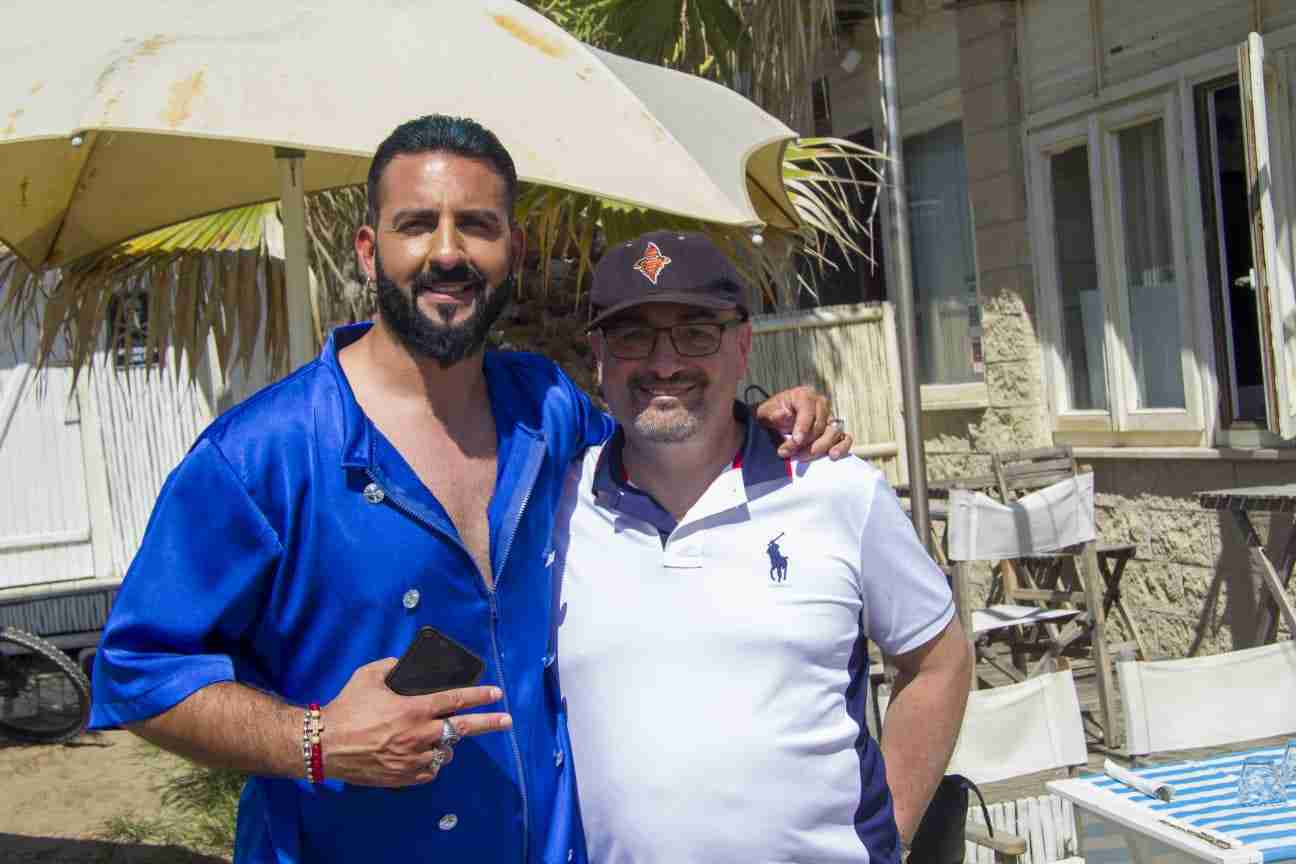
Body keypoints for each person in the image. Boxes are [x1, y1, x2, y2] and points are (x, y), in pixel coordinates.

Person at [87, 116, 848, 864]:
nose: (447, 252)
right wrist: (315, 741)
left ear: (513, 250)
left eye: (477, 225)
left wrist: (760, 420)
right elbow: (138, 672)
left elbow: (661, 456)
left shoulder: (545, 408)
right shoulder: (261, 456)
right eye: (417, 224)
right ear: (369, 250)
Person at [552, 230, 974, 864]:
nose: (664, 363)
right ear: (598, 356)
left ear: (743, 345)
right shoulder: (555, 508)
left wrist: (890, 839)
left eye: (696, 333)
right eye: (633, 336)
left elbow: (940, 662)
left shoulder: (837, 490)